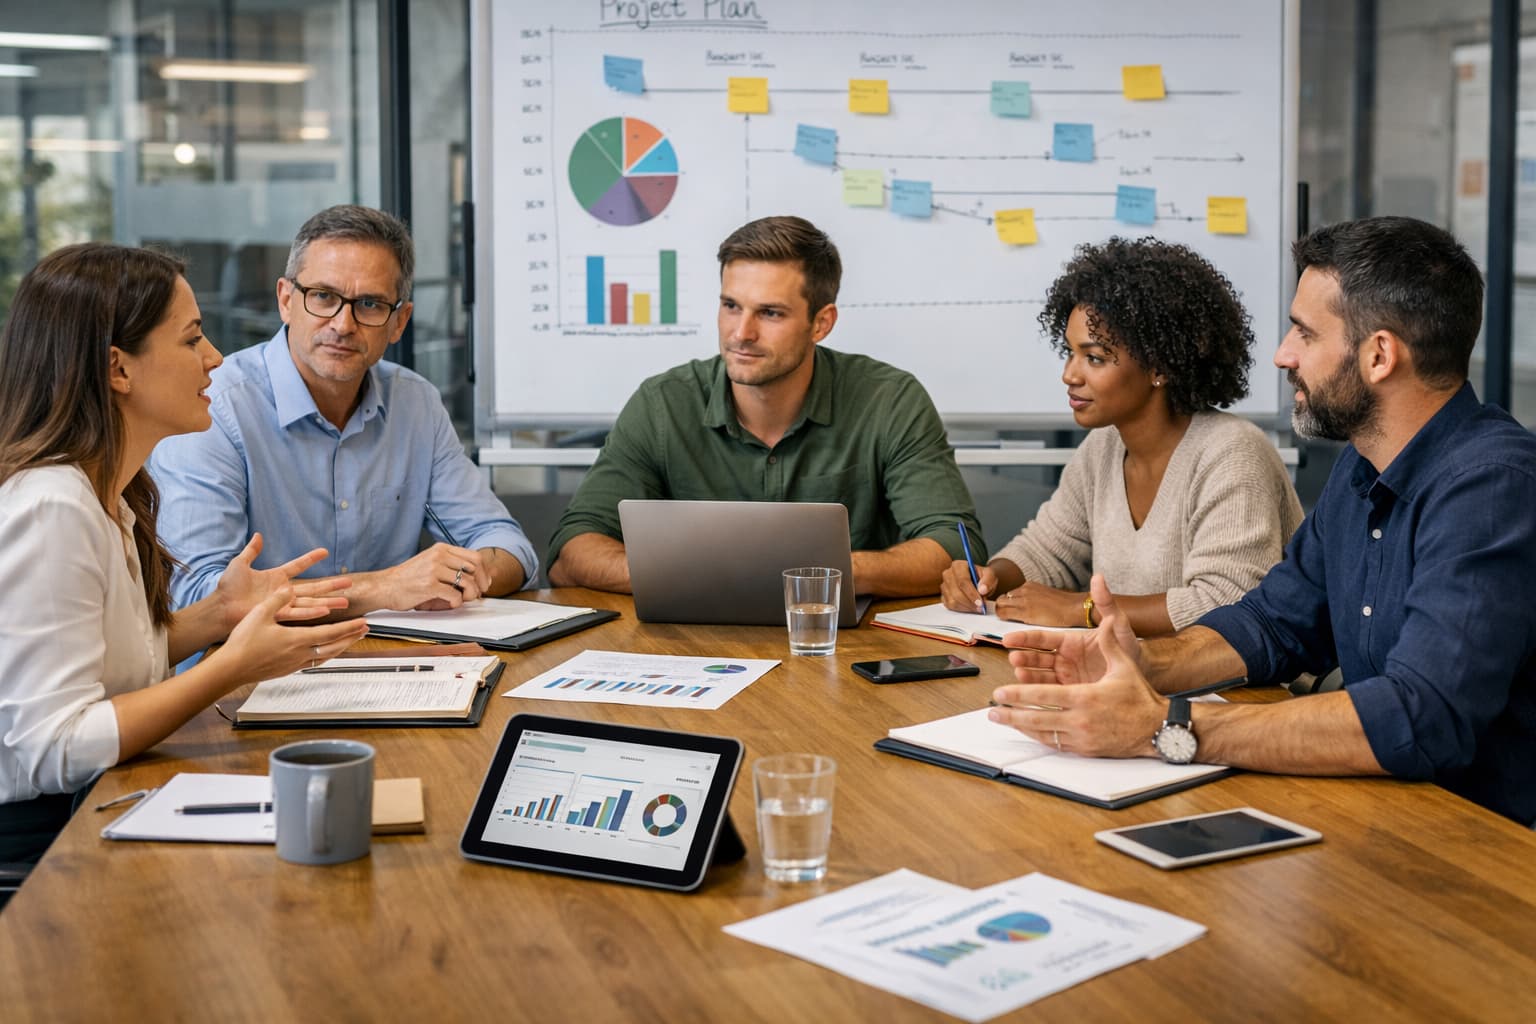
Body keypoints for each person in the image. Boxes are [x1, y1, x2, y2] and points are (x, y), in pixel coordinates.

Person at [992, 216, 1536, 827]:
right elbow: (1271, 623)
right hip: (1385, 817)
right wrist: (1142, 667)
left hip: (1487, 850)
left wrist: (1169, 726)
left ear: (1379, 355)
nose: (1283, 354)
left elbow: (1421, 714)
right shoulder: (1361, 471)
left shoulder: (1494, 489)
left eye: (1304, 333)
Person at [0, 244, 370, 863]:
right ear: (118, 369)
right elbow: (54, 747)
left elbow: (111, 660)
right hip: (45, 840)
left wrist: (218, 615)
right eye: (192, 340)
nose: (215, 359)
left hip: (99, 797)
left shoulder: (108, 495)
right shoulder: (51, 508)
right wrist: (228, 668)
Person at [546, 215, 984, 596]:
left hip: (843, 649)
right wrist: (708, 577)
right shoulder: (662, 403)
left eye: (770, 313)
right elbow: (572, 552)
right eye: (730, 306)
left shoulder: (890, 401)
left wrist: (813, 575)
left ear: (821, 323)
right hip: (689, 653)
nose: (741, 333)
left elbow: (953, 548)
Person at [150, 205, 537, 617]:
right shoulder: (216, 405)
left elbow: (509, 547)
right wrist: (384, 588)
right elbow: (196, 594)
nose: (343, 324)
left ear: (399, 322)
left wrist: (461, 576)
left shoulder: (415, 403)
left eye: (369, 304)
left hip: (393, 666)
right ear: (286, 300)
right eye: (323, 297)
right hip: (252, 675)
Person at [940, 238, 1302, 635]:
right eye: (1070, 352)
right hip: (1140, 675)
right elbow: (1048, 551)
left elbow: (1224, 604)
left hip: (1245, 690)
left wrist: (1083, 609)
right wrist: (989, 577)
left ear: (1159, 367)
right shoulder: (1103, 447)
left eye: (1094, 358)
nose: (1070, 375)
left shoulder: (1232, 453)